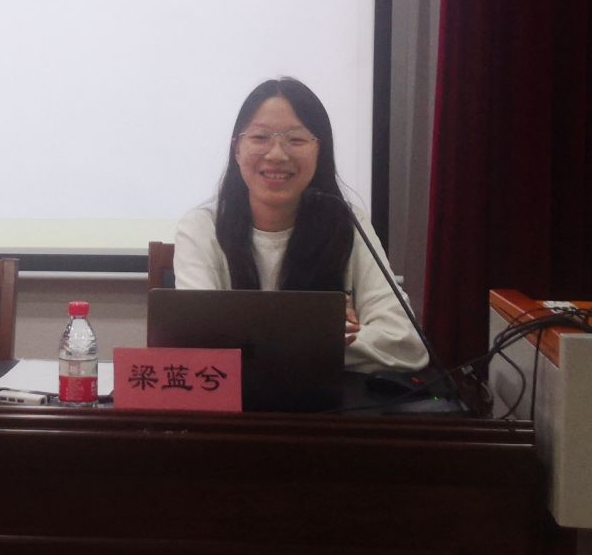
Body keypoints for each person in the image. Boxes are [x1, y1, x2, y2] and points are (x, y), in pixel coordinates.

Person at [172, 77, 429, 374]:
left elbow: (405, 343)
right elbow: (197, 341)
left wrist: (253, 343)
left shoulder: (348, 223)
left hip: (325, 403)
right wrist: (323, 338)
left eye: (295, 140)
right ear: (237, 150)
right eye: (260, 137)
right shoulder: (202, 227)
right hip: (236, 403)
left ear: (320, 151)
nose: (277, 154)